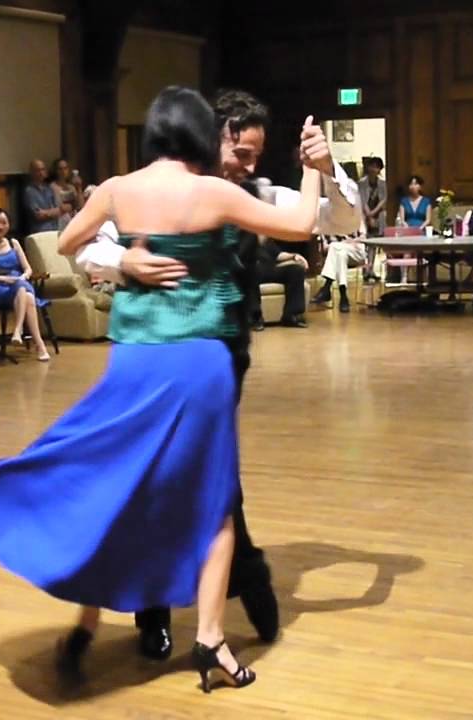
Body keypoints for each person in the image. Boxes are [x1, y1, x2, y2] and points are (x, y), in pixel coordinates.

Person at [0, 86, 323, 692]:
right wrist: (312, 169)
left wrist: (124, 261)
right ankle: (211, 642)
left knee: (116, 480)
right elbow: (302, 225)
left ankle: (89, 621)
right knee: (216, 506)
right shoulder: (212, 192)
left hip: (135, 361)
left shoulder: (117, 188)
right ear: (202, 133)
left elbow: (65, 247)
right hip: (200, 363)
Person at [76, 88, 359, 662]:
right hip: (153, 354)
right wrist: (122, 260)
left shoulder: (256, 193)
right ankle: (169, 605)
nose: (248, 166)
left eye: (256, 156)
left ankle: (231, 581)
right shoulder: (157, 186)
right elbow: (86, 247)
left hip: (221, 356)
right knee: (169, 478)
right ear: (215, 136)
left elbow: (342, 221)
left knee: (201, 476)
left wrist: (326, 170)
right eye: (242, 152)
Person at [0, 209, 51, 361]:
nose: (0, 227)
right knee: (27, 295)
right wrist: (0, 278)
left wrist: (23, 276)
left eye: (4, 223)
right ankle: (35, 342)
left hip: (18, 281)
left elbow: (28, 268)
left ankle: (20, 330)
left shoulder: (13, 243)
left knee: (23, 289)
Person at [23, 160, 61, 234]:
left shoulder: (49, 189)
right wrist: (52, 212)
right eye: (38, 170)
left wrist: (46, 212)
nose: (41, 173)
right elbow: (38, 215)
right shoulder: (29, 191)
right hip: (39, 233)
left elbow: (58, 211)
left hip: (54, 230)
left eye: (43, 169)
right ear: (32, 172)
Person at [50, 158, 84, 231]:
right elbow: (59, 206)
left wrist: (79, 188)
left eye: (65, 168)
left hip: (73, 221)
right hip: (59, 222)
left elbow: (80, 206)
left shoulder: (71, 187)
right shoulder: (52, 187)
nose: (63, 172)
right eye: (60, 169)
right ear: (56, 171)